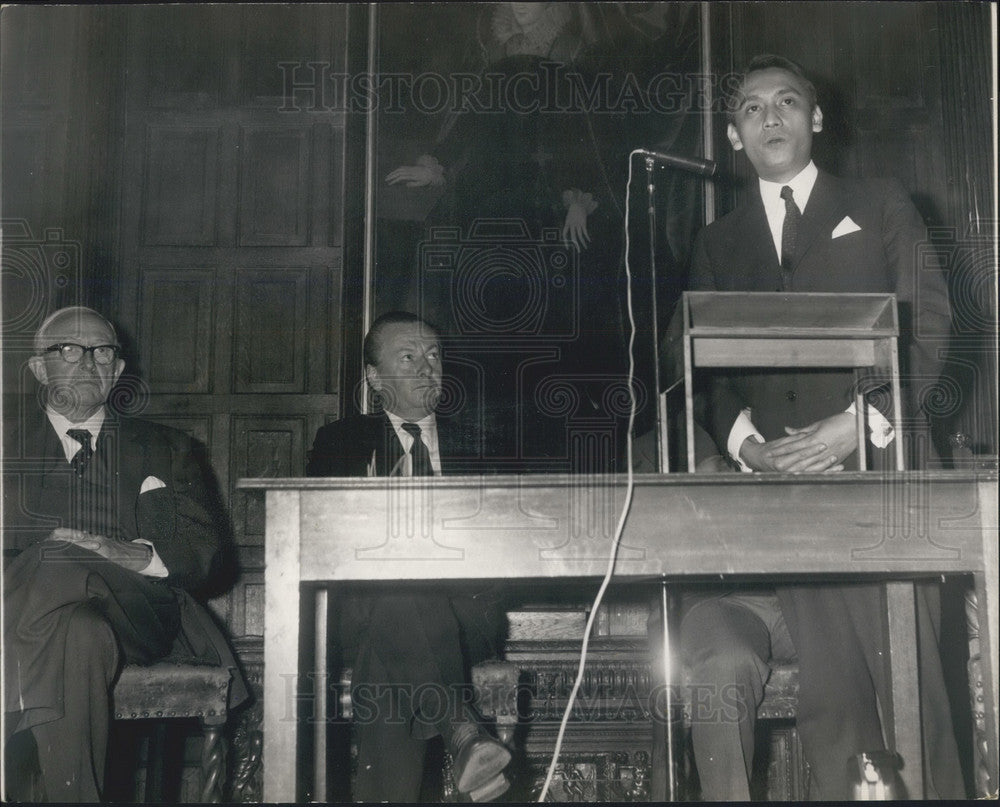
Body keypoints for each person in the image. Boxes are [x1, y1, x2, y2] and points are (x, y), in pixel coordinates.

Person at [677, 55, 962, 799]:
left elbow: (930, 325)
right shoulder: (717, 241)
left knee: (912, 699)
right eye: (751, 108)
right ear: (733, 136)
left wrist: (856, 426)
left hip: (883, 484)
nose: (769, 117)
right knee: (836, 707)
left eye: (787, 102)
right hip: (785, 505)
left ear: (817, 117)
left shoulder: (880, 203)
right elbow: (702, 375)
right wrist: (749, 449)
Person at [3, 306, 246, 802]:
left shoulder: (165, 448)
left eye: (102, 352)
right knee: (79, 634)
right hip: (62, 626)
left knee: (56, 555)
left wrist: (142, 556)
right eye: (69, 350)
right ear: (39, 369)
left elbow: (206, 556)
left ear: (116, 370)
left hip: (141, 614)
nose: (88, 361)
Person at [306, 311, 510, 802]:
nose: (426, 367)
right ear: (375, 378)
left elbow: (506, 544)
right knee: (395, 602)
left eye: (434, 355)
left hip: (464, 617)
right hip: (362, 610)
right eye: (408, 357)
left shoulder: (482, 444)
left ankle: (462, 735)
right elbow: (321, 540)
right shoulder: (340, 443)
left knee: (389, 647)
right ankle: (461, 729)